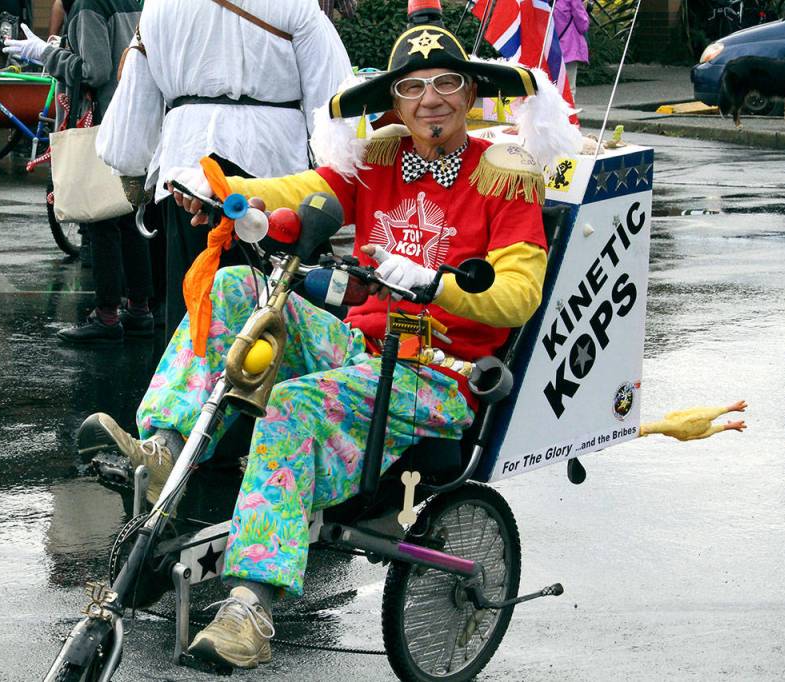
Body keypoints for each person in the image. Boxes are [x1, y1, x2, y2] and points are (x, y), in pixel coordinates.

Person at [80, 3, 578, 668]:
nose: (430, 100)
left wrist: (434, 284)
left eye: (446, 83)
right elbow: (303, 188)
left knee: (292, 406)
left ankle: (249, 607)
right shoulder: (381, 158)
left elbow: (519, 294)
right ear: (395, 103)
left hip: (437, 373)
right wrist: (226, 191)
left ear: (471, 94)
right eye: (413, 87)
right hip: (365, 349)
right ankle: (166, 445)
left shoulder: (504, 174)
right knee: (235, 289)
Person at [95, 0, 353, 339]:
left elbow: (134, 102)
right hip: (272, 160)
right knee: (276, 302)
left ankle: (193, 372)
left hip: (186, 163)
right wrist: (335, 167)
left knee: (194, 309)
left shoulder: (159, 6)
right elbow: (331, 102)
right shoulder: (296, 4)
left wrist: (129, 162)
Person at [4, 0, 155, 343]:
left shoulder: (88, 5)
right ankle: (139, 309)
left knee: (101, 218)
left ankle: (106, 316)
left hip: (101, 123)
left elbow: (95, 70)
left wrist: (46, 54)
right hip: (132, 116)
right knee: (131, 216)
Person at [553, 0, 589, 100]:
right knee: (569, 88)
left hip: (550, 49)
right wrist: (584, 9)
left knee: (552, 87)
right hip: (569, 48)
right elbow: (583, 26)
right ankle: (567, 110)